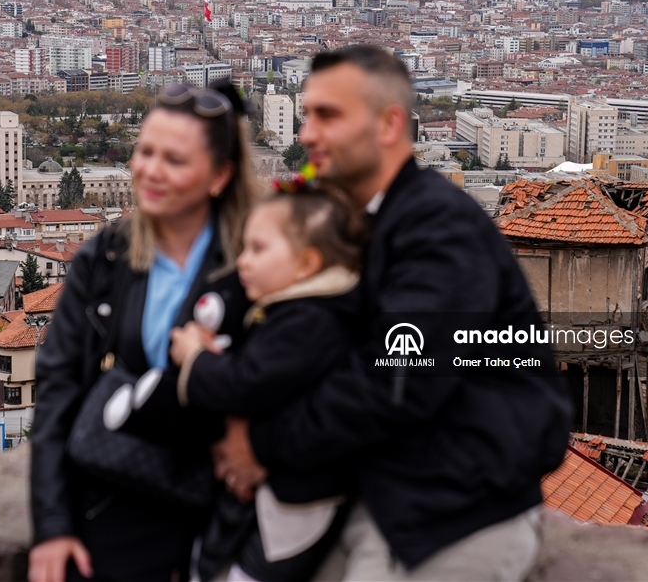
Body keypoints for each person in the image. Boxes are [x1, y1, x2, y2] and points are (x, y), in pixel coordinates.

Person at [213, 46, 573, 581]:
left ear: (389, 124)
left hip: (454, 517)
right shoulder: (364, 219)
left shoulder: (437, 226)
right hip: (393, 499)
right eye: (307, 115)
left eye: (328, 116)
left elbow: (397, 381)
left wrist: (261, 444)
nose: (307, 134)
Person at [28, 81, 255, 582]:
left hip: (221, 504)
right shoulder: (105, 258)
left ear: (220, 175)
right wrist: (52, 524)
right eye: (145, 152)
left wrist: (246, 433)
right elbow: (59, 388)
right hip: (115, 496)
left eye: (174, 160)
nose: (150, 170)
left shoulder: (255, 262)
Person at [167, 185, 365, 581]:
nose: (242, 261)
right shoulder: (300, 312)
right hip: (278, 490)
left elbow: (249, 384)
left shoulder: (309, 320)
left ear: (307, 263)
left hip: (294, 501)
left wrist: (195, 359)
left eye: (257, 249)